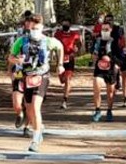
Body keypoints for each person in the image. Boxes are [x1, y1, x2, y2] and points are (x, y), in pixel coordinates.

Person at [8, 15, 52, 152]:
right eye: (32, 28)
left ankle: (35, 139)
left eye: (37, 28)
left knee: (35, 105)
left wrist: (61, 64)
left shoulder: (49, 41)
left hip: (41, 76)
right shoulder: (21, 41)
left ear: (42, 28)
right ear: (28, 27)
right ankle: (37, 127)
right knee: (29, 108)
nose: (34, 30)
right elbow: (10, 57)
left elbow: (60, 48)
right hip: (25, 76)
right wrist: (16, 62)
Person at [10, 13, 35, 131]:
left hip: (33, 74)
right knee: (16, 102)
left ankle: (28, 126)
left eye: (32, 22)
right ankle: (20, 113)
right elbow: (11, 56)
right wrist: (14, 64)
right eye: (27, 21)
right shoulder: (20, 37)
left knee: (30, 103)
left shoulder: (42, 39)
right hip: (20, 72)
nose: (29, 24)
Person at [91, 21, 118, 122]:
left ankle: (109, 110)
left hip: (111, 70)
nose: (104, 31)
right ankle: (97, 110)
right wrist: (95, 56)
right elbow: (93, 54)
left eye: (106, 29)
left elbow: (120, 58)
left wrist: (110, 58)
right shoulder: (98, 41)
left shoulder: (115, 42)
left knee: (110, 92)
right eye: (102, 29)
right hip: (99, 69)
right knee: (96, 85)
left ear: (110, 30)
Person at [53, 18, 82, 109]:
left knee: (67, 79)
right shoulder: (57, 34)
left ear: (70, 25)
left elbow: (79, 43)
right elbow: (53, 44)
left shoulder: (74, 34)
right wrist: (53, 53)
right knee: (62, 80)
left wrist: (77, 48)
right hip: (60, 58)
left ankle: (65, 100)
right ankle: (66, 86)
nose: (65, 25)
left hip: (70, 57)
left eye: (66, 23)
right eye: (63, 24)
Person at [105, 13, 126, 108]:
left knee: (125, 77)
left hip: (122, 56)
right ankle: (114, 90)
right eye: (106, 20)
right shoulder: (104, 30)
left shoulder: (119, 29)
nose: (108, 21)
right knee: (114, 74)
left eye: (110, 20)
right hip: (112, 56)